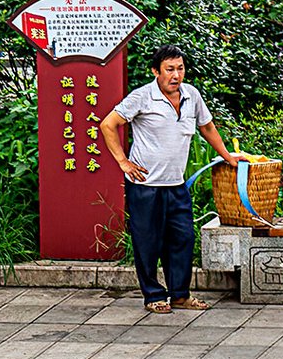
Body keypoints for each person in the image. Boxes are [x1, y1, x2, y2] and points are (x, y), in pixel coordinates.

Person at [100, 45, 241, 314]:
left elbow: (207, 126)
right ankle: (153, 295)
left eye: (180, 68)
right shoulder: (142, 97)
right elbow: (108, 124)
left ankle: (179, 295)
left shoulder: (192, 95)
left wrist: (228, 156)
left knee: (183, 239)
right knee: (147, 242)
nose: (176, 75)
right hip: (146, 186)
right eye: (169, 70)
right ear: (156, 71)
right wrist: (122, 161)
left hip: (176, 185)